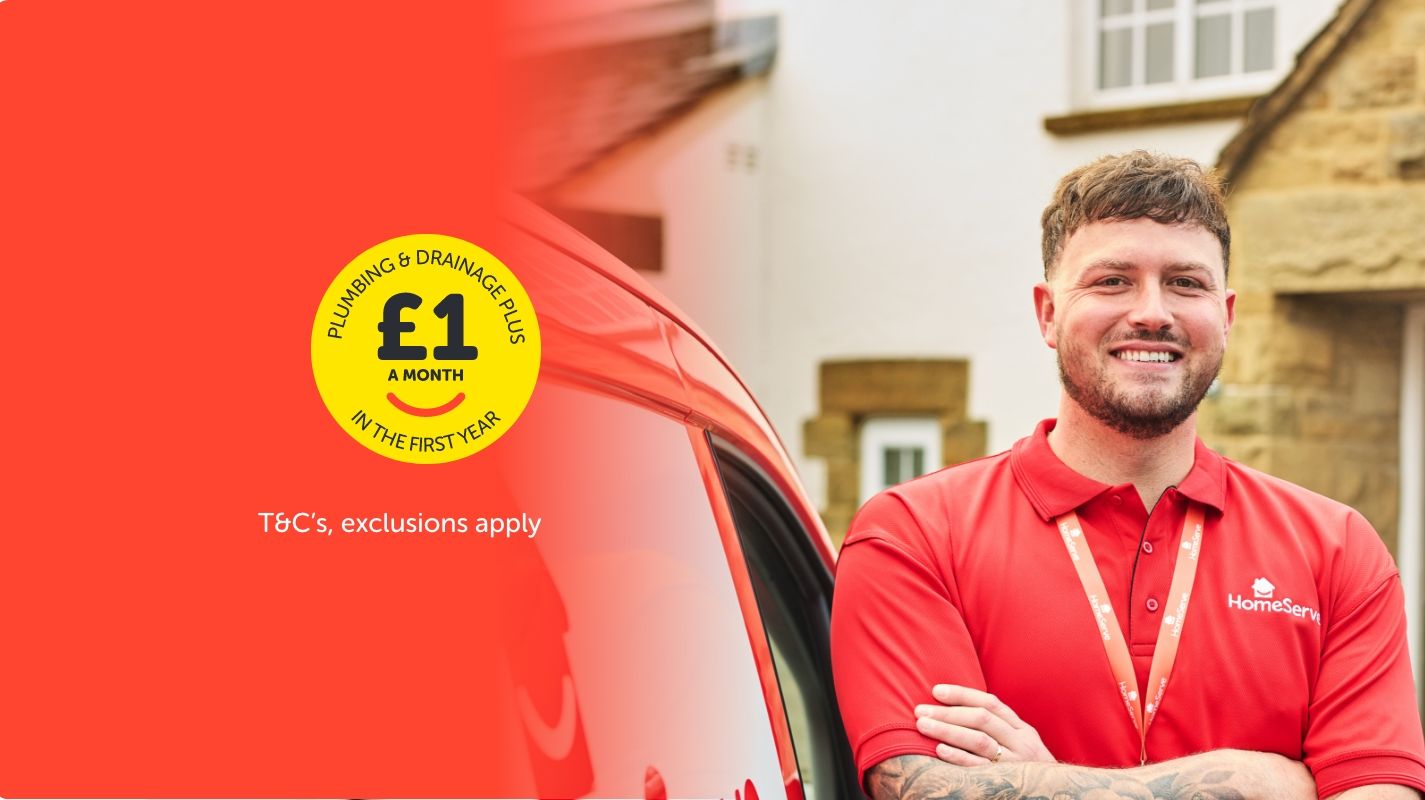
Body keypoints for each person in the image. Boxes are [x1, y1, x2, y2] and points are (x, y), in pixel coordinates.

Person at [830, 151, 1425, 800]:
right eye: (1112, 281)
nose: (1151, 312)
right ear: (1047, 314)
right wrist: (1263, 780)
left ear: (1225, 316)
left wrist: (1041, 781)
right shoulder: (913, 535)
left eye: (1185, 283)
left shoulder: (1335, 550)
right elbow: (922, 791)